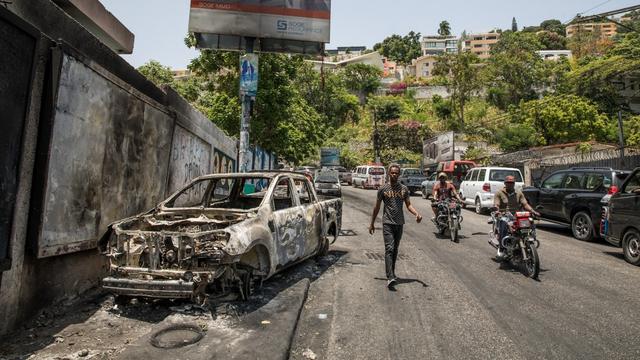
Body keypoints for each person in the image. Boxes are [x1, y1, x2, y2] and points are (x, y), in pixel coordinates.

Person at [369, 164, 423, 290]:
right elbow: (376, 207)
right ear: (389, 173)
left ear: (399, 174)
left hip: (400, 224)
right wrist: (372, 223)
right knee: (389, 248)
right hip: (387, 223)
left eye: (396, 173)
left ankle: (392, 274)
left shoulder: (404, 189)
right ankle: (390, 277)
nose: (394, 175)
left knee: (395, 250)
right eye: (392, 173)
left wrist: (417, 214)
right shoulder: (383, 189)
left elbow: (409, 205)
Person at [493, 175, 540, 260]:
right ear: (505, 183)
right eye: (508, 183)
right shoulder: (499, 193)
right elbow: (496, 204)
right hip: (504, 215)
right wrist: (497, 211)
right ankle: (502, 248)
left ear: (514, 183)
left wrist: (533, 211)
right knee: (503, 224)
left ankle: (530, 239)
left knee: (530, 222)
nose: (510, 184)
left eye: (512, 183)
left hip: (517, 215)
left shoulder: (519, 193)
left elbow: (525, 204)